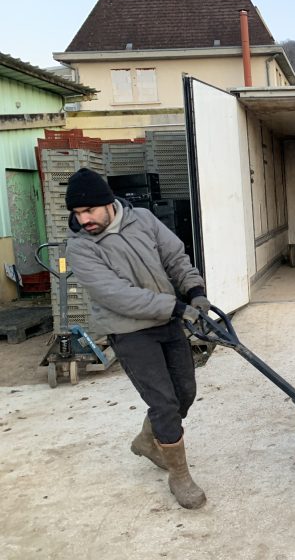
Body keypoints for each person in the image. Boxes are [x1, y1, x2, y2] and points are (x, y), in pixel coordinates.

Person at [64, 167, 210, 509]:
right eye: (76, 213)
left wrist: (195, 290)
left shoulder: (141, 219)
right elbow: (117, 295)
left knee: (184, 393)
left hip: (166, 320)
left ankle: (148, 440)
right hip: (129, 330)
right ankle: (180, 477)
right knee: (163, 403)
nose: (83, 219)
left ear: (107, 204)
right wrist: (176, 308)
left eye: (88, 211)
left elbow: (174, 257)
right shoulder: (80, 248)